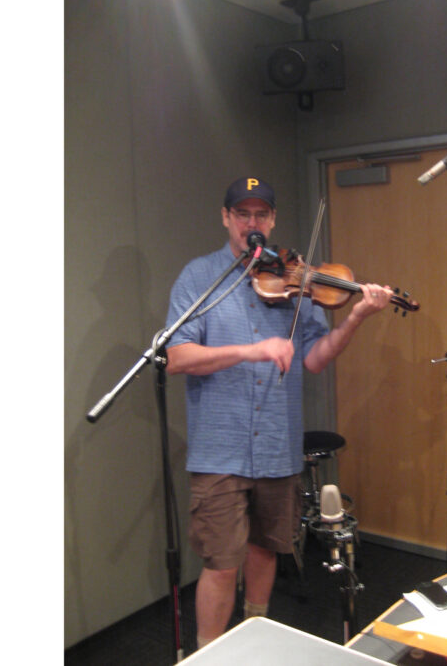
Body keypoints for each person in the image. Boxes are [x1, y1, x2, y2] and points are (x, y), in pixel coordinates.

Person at [164, 176, 392, 649]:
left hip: (275, 445)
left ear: (272, 220)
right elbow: (177, 357)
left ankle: (255, 640)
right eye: (243, 213)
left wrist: (354, 318)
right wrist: (252, 350)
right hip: (219, 451)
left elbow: (314, 357)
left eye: (261, 214)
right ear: (226, 217)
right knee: (222, 563)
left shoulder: (296, 277)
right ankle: (210, 655)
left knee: (266, 550)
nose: (253, 222)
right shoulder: (198, 278)